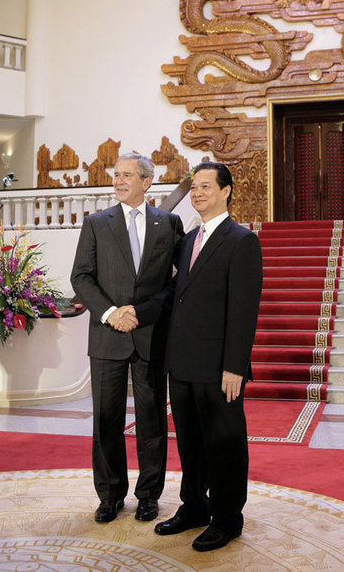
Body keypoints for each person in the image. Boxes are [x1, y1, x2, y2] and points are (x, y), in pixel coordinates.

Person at [122, 162, 263, 552]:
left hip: (219, 367)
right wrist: (138, 311)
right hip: (181, 362)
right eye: (194, 187)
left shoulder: (242, 241)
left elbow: (244, 310)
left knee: (224, 443)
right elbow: (172, 294)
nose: (198, 193)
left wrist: (235, 365)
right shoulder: (187, 240)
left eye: (206, 186)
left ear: (226, 191)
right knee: (190, 443)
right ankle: (195, 508)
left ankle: (227, 518)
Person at [70, 153, 184, 524]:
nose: (118, 181)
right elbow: (81, 277)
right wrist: (111, 313)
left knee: (152, 420)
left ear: (147, 182)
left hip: (151, 334)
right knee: (106, 419)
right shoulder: (96, 223)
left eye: (127, 175)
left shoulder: (169, 223)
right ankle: (110, 495)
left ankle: (149, 495)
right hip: (107, 336)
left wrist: (142, 311)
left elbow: (176, 282)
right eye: (116, 174)